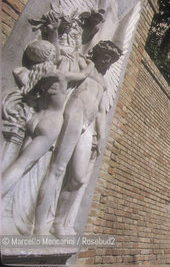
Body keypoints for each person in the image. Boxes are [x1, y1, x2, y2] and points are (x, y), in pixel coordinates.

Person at [34, 40, 122, 235]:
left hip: (88, 125)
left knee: (79, 178)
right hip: (74, 114)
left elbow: (100, 110)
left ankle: (58, 223)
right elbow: (66, 57)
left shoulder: (104, 82)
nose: (108, 60)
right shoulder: (85, 65)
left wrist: (101, 135)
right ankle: (39, 226)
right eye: (106, 55)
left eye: (112, 58)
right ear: (98, 53)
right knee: (57, 168)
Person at [1, 41, 94, 197]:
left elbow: (32, 96)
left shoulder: (38, 76)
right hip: (51, 122)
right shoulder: (60, 75)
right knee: (22, 164)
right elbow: (83, 74)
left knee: (20, 160)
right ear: (50, 56)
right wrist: (90, 63)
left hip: (34, 120)